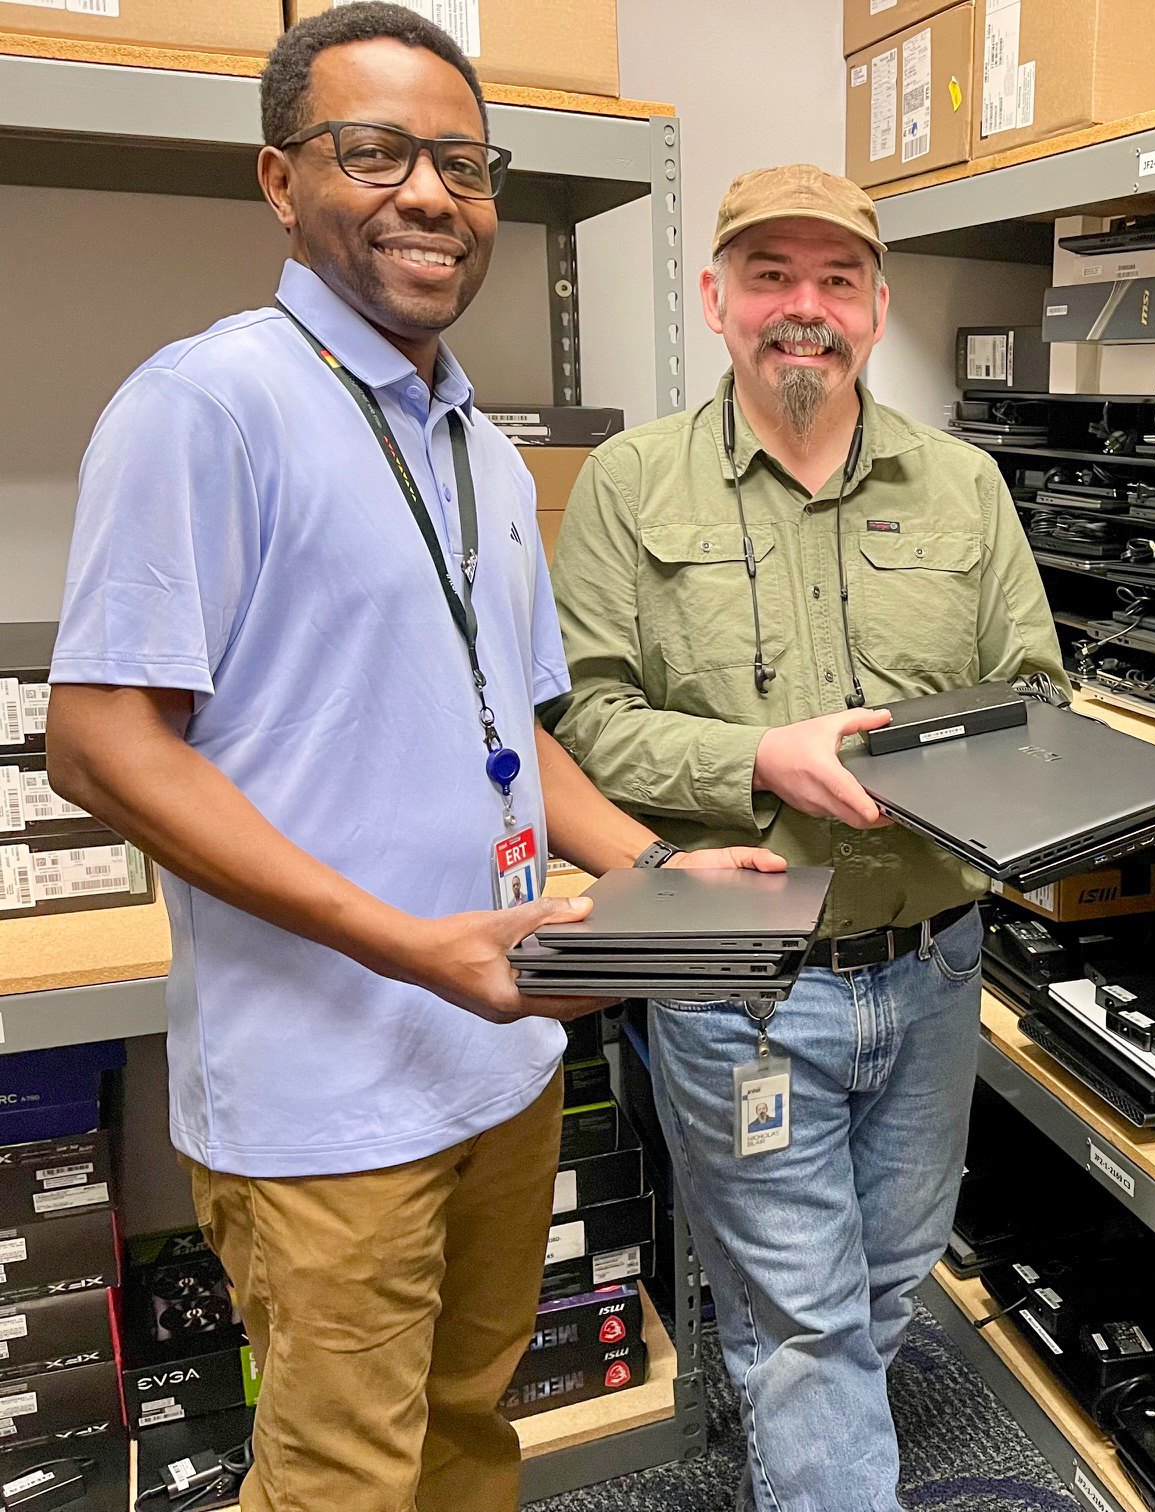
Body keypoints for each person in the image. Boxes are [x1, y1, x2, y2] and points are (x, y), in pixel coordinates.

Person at [43, 9, 779, 1511]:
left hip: (501, 1061)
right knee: (339, 1483)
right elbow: (100, 745)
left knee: (467, 1430)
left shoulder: (485, 454)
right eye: (374, 152)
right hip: (329, 1100)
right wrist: (411, 945)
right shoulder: (208, 408)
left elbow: (519, 729)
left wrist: (651, 866)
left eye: (462, 159)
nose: (431, 194)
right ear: (279, 179)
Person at [549, 164, 1067, 1510]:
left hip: (936, 961)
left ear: (877, 307)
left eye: (836, 279)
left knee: (888, 1279)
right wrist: (756, 759)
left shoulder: (963, 487)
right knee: (808, 1326)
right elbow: (584, 721)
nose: (804, 308)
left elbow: (1037, 701)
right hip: (735, 963)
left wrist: (958, 769)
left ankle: (795, 1405)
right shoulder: (630, 484)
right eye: (771, 276)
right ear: (716, 301)